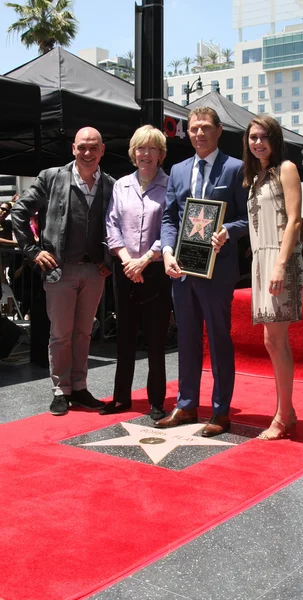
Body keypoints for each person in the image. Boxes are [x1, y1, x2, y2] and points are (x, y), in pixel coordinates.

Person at [155, 106, 248, 437]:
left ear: (219, 130)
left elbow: (248, 217)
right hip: (181, 268)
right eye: (193, 129)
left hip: (218, 269)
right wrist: (166, 252)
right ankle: (187, 404)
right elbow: (169, 218)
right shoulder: (178, 170)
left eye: (206, 127)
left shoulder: (236, 169)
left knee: (219, 339)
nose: (199, 134)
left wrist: (229, 231)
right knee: (187, 338)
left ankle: (221, 411)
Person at [12, 127, 114, 416]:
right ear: (73, 148)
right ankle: (60, 389)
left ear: (102, 150)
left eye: (93, 147)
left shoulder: (110, 184)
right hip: (60, 270)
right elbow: (20, 212)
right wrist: (33, 251)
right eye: (82, 146)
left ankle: (79, 386)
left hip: (95, 271)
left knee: (83, 333)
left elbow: (119, 224)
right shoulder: (52, 177)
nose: (87, 152)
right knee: (60, 334)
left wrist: (109, 257)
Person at [101, 125, 172, 419]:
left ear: (160, 155)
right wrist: (127, 260)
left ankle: (156, 400)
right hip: (124, 269)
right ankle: (121, 398)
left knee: (156, 338)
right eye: (141, 148)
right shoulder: (121, 185)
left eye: (152, 149)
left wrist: (143, 260)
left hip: (155, 270)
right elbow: (111, 224)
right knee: (126, 335)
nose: (146, 154)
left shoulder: (170, 185)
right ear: (133, 153)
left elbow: (171, 225)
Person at [243, 115, 303, 440]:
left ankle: (284, 415)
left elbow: (294, 221)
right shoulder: (255, 177)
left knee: (276, 340)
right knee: (272, 340)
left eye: (264, 137)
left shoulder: (286, 169)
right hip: (261, 261)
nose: (258, 142)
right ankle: (287, 411)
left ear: (275, 138)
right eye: (253, 137)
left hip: (280, 259)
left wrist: (280, 264)